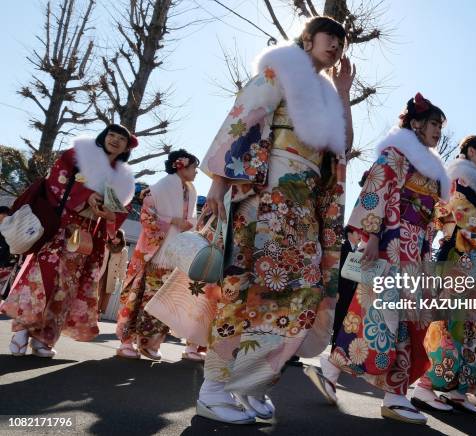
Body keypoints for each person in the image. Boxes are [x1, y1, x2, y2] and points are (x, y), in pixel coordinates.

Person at [197, 16, 353, 424]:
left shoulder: (325, 91)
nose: (336, 45)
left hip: (302, 211)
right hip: (263, 199)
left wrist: (344, 93)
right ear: (308, 37)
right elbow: (242, 121)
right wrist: (218, 184)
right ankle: (213, 389)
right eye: (330, 36)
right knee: (245, 293)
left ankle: (249, 385)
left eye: (342, 40)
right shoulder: (280, 67)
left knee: (299, 296)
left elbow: (342, 149)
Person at [310, 93, 450, 425]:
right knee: (390, 318)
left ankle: (333, 368)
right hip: (392, 243)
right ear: (415, 124)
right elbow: (376, 191)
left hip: (415, 250)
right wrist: (370, 236)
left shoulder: (429, 167)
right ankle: (395, 396)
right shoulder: (396, 154)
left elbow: (434, 214)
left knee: (385, 316)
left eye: (440, 127)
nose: (438, 132)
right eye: (433, 124)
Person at [1, 124, 136, 357]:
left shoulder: (123, 177)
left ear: (127, 146)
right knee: (42, 279)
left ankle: (44, 338)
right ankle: (22, 330)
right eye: (111, 135)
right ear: (103, 136)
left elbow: (121, 208)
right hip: (60, 228)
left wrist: (110, 214)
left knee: (67, 288)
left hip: (87, 235)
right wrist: (86, 194)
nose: (114, 140)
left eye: (121, 138)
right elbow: (56, 179)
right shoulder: (77, 155)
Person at [413, 135, 476, 415]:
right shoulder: (459, 177)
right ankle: (425, 385)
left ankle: (456, 389)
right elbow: (458, 214)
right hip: (460, 259)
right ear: (471, 151)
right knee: (450, 323)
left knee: (472, 328)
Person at [115, 149, 200, 361]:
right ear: (180, 167)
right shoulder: (161, 187)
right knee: (143, 298)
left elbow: (190, 218)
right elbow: (147, 216)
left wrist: (188, 223)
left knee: (164, 301)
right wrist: (172, 220)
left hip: (175, 253)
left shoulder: (190, 190)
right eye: (193, 167)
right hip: (155, 254)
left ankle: (150, 343)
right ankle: (128, 342)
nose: (196, 172)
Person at [97, 229, 129, 318]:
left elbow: (123, 266)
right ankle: (93, 312)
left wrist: (123, 280)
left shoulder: (123, 250)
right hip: (101, 272)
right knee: (96, 292)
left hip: (112, 275)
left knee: (106, 294)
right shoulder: (106, 246)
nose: (116, 240)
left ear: (121, 239)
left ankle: (98, 314)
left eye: (118, 238)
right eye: (114, 237)